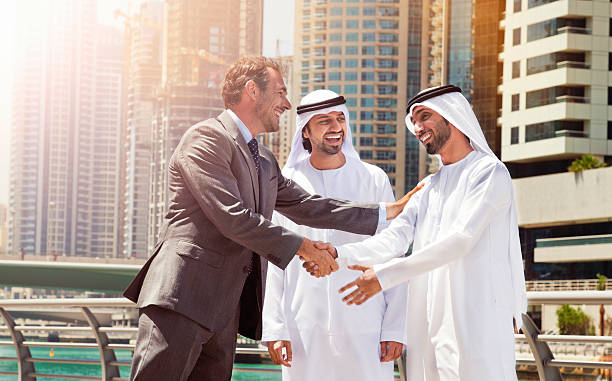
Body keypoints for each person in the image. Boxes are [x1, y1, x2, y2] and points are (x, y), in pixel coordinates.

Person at [123, 57, 410, 381]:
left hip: (223, 311)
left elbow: (307, 205)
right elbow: (233, 217)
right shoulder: (206, 138)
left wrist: (385, 212)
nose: (286, 103)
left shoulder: (264, 160)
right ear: (252, 91)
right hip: (183, 299)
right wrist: (305, 248)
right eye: (280, 92)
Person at [314, 85, 527, 380]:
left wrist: (384, 276)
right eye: (413, 121)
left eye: (424, 116)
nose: (417, 127)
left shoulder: (489, 173)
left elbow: (461, 241)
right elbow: (394, 237)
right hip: (428, 319)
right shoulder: (428, 186)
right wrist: (339, 254)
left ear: (452, 115)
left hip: (477, 316)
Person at [262, 90, 413, 380]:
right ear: (305, 130)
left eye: (340, 118)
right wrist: (275, 328)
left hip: (366, 324)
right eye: (323, 121)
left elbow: (392, 252)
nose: (335, 127)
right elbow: (273, 260)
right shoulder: (286, 183)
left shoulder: (373, 178)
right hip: (303, 328)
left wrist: (394, 328)